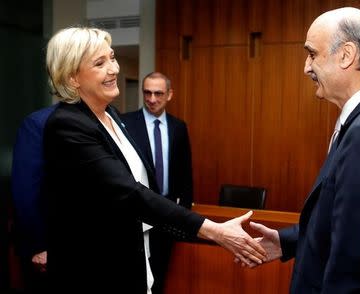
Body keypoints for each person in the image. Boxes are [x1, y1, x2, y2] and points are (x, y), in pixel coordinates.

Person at [42, 26, 266, 294]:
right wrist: (212, 231)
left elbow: (146, 183)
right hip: (94, 271)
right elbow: (128, 193)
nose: (113, 69)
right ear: (72, 77)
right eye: (100, 63)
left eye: (112, 57)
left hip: (135, 254)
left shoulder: (111, 115)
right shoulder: (67, 125)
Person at [247, 7, 360, 294]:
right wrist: (290, 241)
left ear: (346, 55)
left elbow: (354, 268)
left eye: (312, 54)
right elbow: (357, 226)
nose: (306, 67)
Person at [121, 72, 193, 293]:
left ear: (169, 94)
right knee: (134, 276)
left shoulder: (178, 127)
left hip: (168, 215)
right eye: (147, 93)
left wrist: (185, 212)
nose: (152, 99)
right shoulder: (125, 124)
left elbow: (185, 173)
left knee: (160, 275)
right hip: (137, 213)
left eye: (158, 93)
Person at [11, 104, 57, 293]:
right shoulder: (39, 123)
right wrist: (39, 246)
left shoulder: (108, 117)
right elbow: (25, 189)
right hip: (49, 246)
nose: (112, 72)